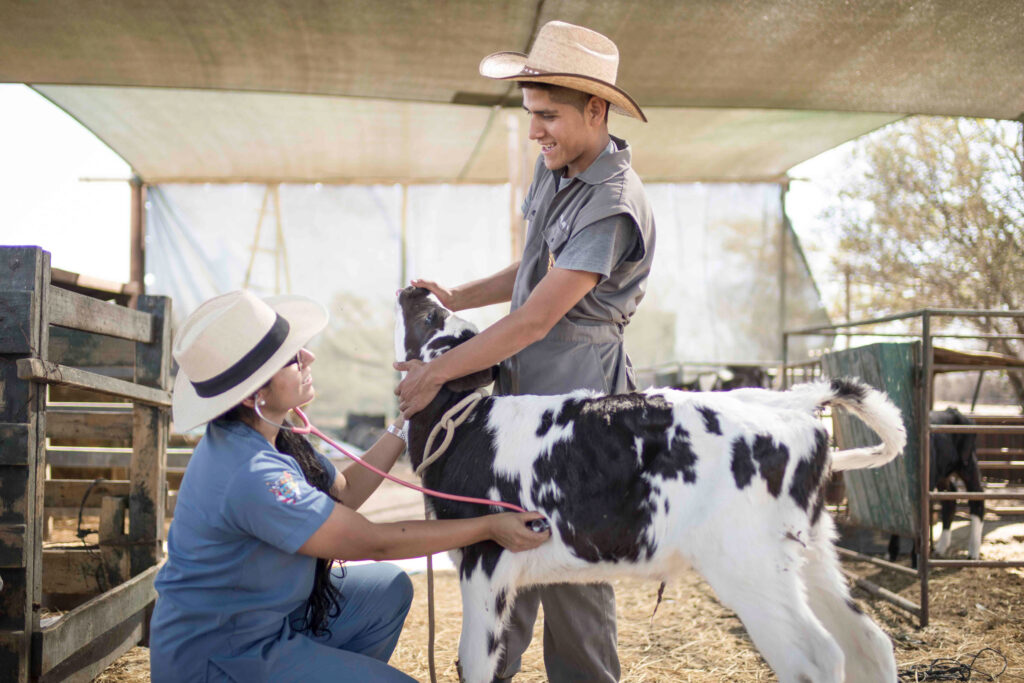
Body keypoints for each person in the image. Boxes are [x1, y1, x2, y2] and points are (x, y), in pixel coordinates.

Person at [394, 20, 655, 683]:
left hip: (578, 414)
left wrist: (437, 373)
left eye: (548, 116)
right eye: (529, 115)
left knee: (571, 567)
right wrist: (459, 294)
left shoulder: (613, 200)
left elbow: (539, 316)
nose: (535, 130)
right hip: (523, 408)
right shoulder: (563, 167)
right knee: (504, 555)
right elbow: (535, 264)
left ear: (595, 110)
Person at [149, 290, 549, 682]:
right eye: (290, 358)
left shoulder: (268, 434)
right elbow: (373, 542)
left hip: (263, 621)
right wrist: (489, 527)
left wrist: (407, 421)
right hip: (219, 655)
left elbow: (344, 493)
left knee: (387, 590)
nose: (309, 356)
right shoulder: (252, 474)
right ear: (256, 393)